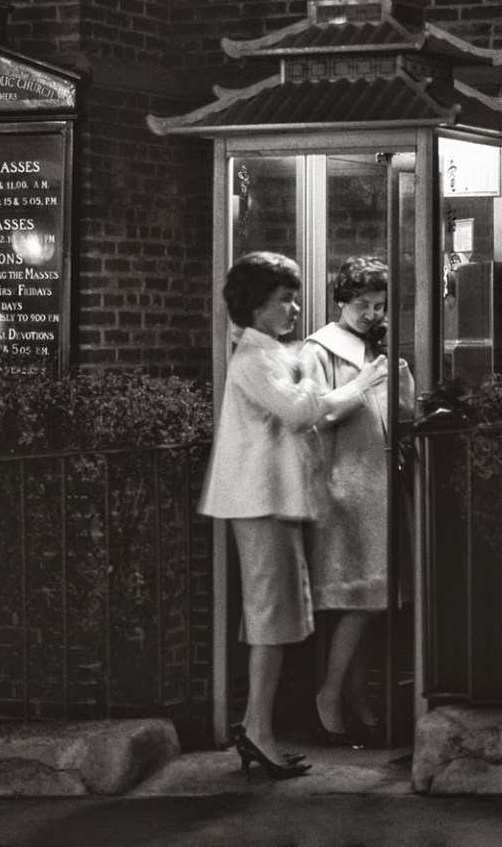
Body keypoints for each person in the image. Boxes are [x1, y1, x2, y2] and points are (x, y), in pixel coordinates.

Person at [198, 251, 387, 780]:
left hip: (273, 503)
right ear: (257, 305)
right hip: (260, 502)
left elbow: (309, 406)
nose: (295, 309)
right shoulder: (255, 359)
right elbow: (303, 410)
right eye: (284, 300)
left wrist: (332, 383)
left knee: (276, 621)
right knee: (270, 622)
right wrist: (342, 381)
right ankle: (256, 730)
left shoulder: (268, 353)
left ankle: (257, 728)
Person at [300, 256, 415, 745]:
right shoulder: (319, 348)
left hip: (377, 484)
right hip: (344, 485)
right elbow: (310, 414)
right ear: (342, 301)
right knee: (363, 598)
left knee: (369, 596)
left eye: (379, 306)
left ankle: (356, 703)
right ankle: (329, 696)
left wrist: (399, 382)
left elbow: (401, 415)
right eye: (362, 304)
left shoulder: (376, 349)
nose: (371, 314)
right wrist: (361, 385)